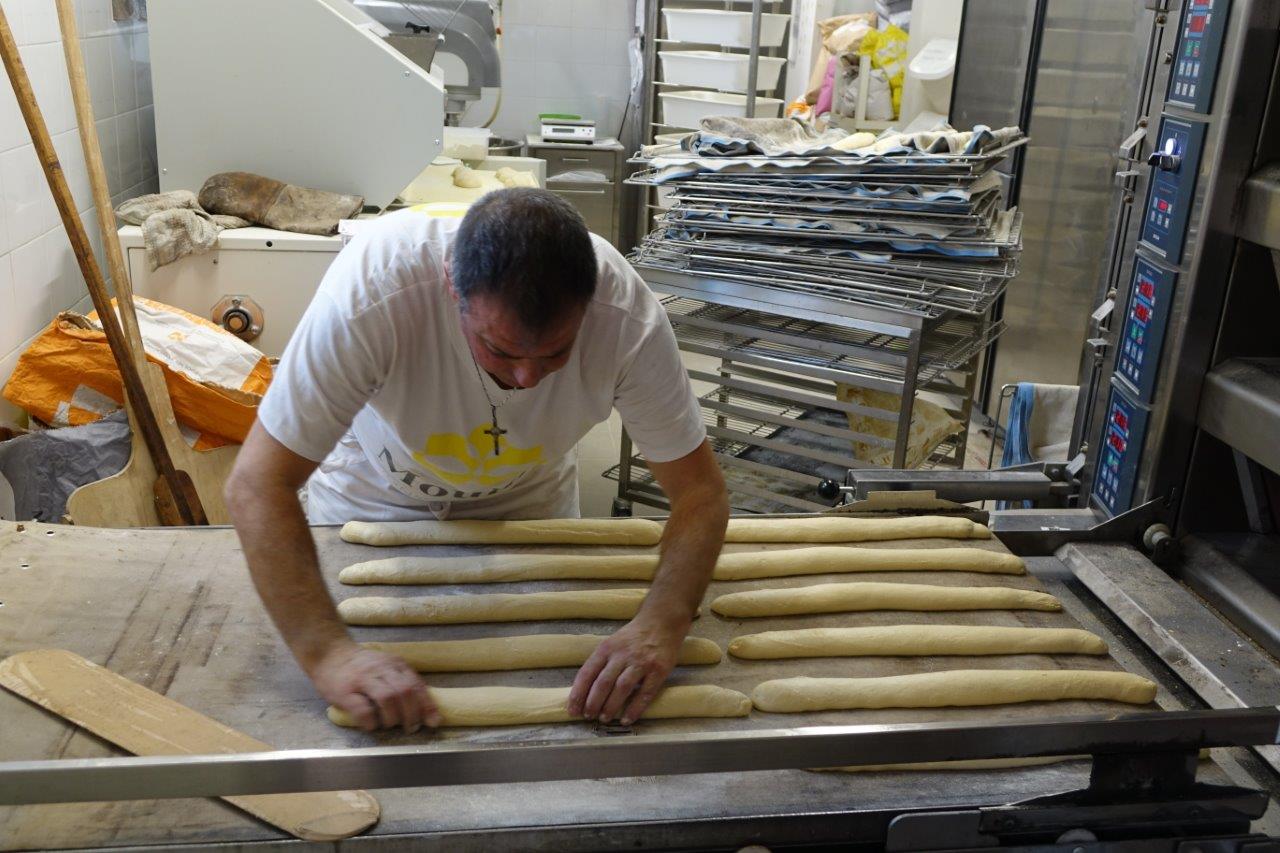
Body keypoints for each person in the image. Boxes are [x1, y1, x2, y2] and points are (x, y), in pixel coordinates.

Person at [226, 188, 729, 733]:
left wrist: (664, 620)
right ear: (451, 286)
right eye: (502, 350)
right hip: (376, 490)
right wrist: (326, 653)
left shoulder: (626, 319)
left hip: (528, 496)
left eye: (555, 353)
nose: (527, 379)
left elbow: (700, 494)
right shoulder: (374, 296)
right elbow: (257, 485)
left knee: (540, 652)